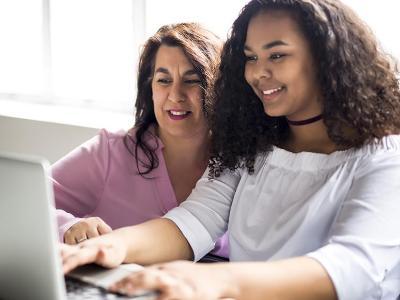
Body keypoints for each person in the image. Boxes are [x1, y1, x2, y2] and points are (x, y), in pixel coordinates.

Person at [61, 0, 400, 299]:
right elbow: (193, 220)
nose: (257, 72)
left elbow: (353, 267)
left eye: (277, 55)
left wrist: (218, 281)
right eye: (251, 57)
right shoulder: (253, 145)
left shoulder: (385, 156)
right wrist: (112, 246)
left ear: (328, 57)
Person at [54, 22, 228, 257]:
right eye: (164, 80)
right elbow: (19, 201)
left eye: (192, 80)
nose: (175, 95)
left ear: (218, 86)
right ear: (150, 88)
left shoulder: (241, 164)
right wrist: (67, 226)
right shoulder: (109, 153)